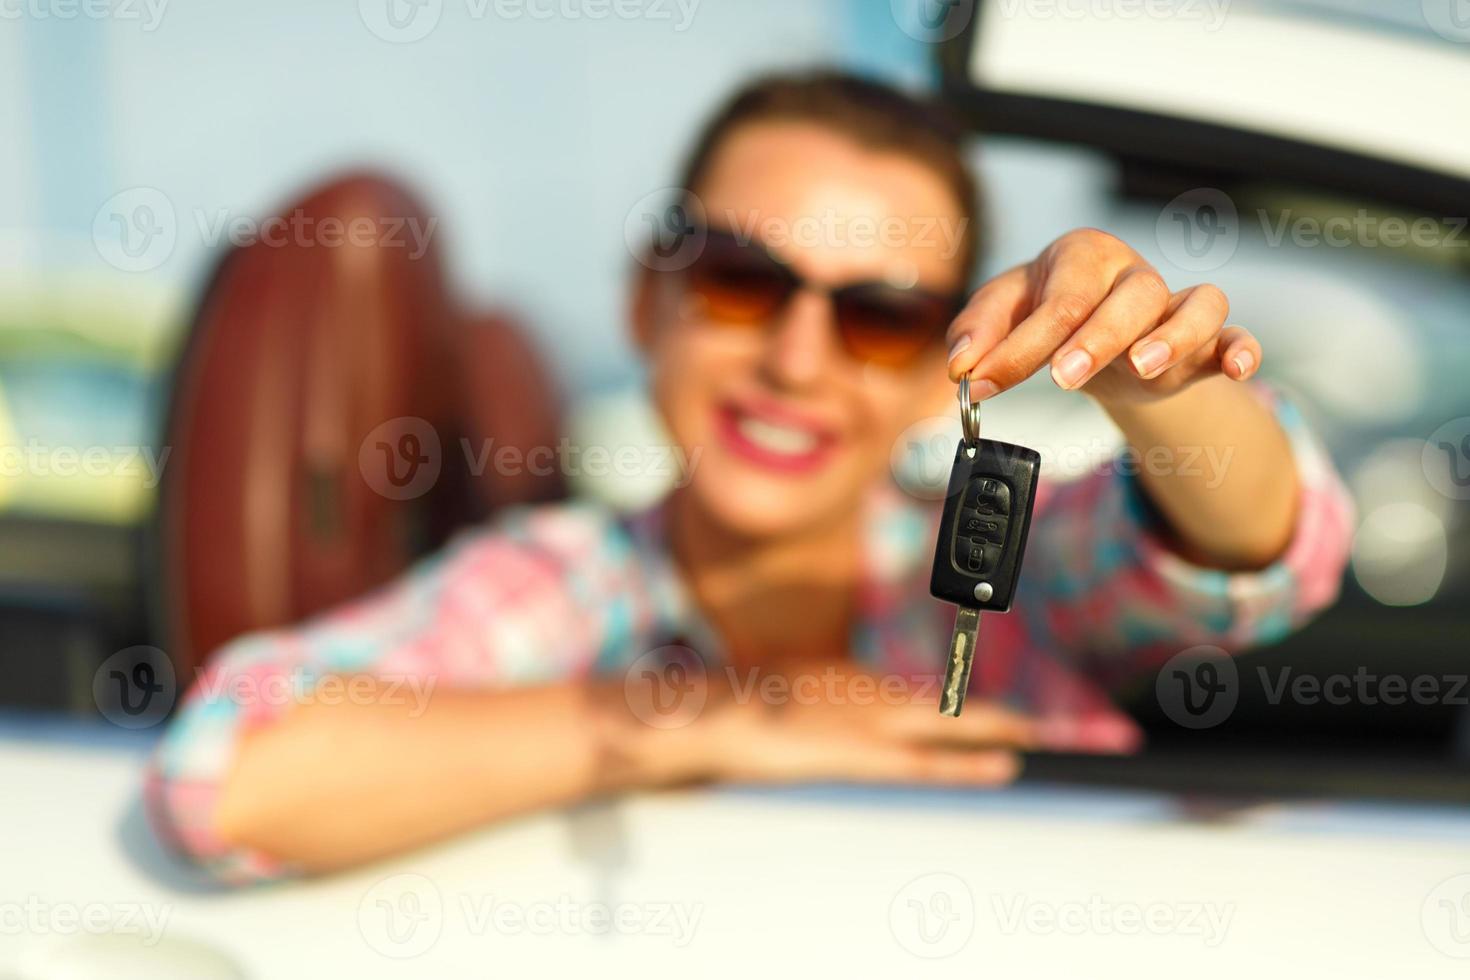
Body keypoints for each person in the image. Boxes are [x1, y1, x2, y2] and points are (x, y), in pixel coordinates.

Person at [146, 71, 1354, 885]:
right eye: (740, 281)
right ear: (646, 302)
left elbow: (1262, 546)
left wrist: (1152, 376)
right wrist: (724, 715)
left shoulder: (1030, 577)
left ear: (951, 366)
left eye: (881, 316)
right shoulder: (561, 591)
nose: (795, 358)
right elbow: (228, 771)